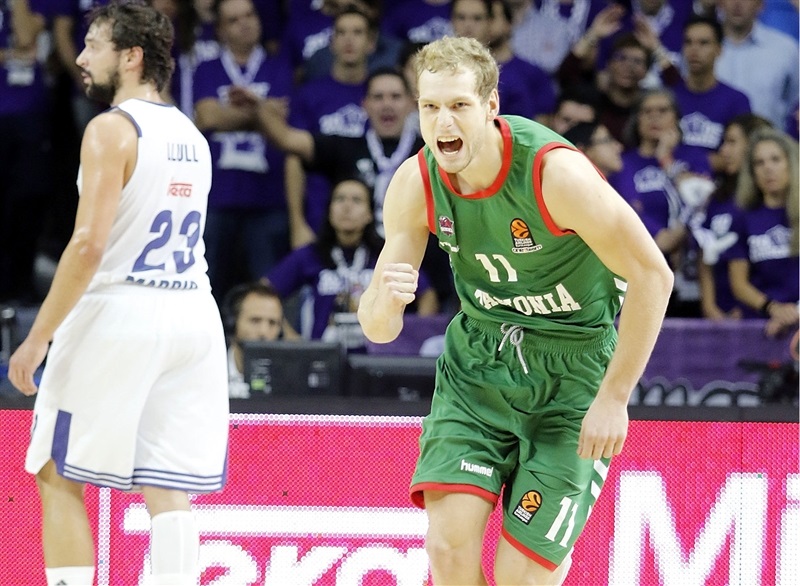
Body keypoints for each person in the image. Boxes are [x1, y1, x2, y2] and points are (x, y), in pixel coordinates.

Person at [357, 37, 673, 585]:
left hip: (572, 373)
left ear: (491, 106)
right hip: (480, 362)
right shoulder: (415, 181)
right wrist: (384, 299)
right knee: (449, 551)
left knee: (519, 579)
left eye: (458, 105)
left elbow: (654, 275)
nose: (443, 122)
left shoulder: (556, 174)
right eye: (430, 107)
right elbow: (379, 330)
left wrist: (615, 398)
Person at [7, 3, 229, 584]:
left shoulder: (111, 128)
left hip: (122, 309)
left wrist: (37, 339)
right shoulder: (193, 134)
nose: (80, 58)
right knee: (169, 488)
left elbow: (87, 248)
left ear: (130, 56)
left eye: (93, 45)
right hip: (192, 314)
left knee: (56, 472)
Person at [193, 0, 293, 302]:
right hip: (217, 195)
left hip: (268, 197)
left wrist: (233, 112)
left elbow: (285, 119)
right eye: (234, 20)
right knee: (204, 281)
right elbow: (208, 117)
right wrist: (263, 111)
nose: (245, 23)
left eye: (249, 15)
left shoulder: (279, 66)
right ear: (221, 30)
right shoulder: (208, 69)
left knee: (267, 287)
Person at [268, 178, 439, 351]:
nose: (346, 207)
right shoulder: (311, 255)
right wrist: (291, 337)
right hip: (325, 356)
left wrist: (412, 337)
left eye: (356, 200)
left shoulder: (386, 253)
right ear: (329, 211)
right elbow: (265, 291)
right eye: (339, 199)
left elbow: (426, 294)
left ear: (370, 214)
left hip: (379, 360)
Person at [723, 127, 799, 337]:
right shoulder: (742, 218)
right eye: (759, 162)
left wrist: (795, 313)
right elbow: (739, 283)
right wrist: (774, 309)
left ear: (790, 164)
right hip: (760, 325)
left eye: (776, 160)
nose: (768, 168)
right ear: (752, 172)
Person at [715, 0, 799, 128]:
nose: (737, 3)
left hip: (768, 140)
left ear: (760, 5)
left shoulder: (785, 49)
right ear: (720, 3)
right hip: (714, 143)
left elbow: (795, 102)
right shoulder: (701, 46)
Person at [222, 281, 287, 398]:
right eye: (255, 321)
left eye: (272, 323)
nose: (263, 332)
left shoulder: (289, 380)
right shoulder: (208, 369)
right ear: (232, 322)